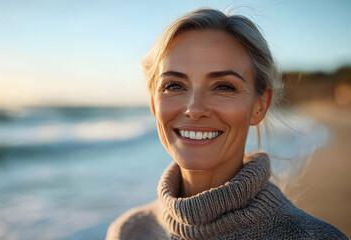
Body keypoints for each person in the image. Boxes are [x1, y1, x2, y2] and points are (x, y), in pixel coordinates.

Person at [106, 8, 347, 240]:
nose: (195, 109)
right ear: (153, 103)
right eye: (174, 86)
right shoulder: (128, 232)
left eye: (224, 87)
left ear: (260, 106)